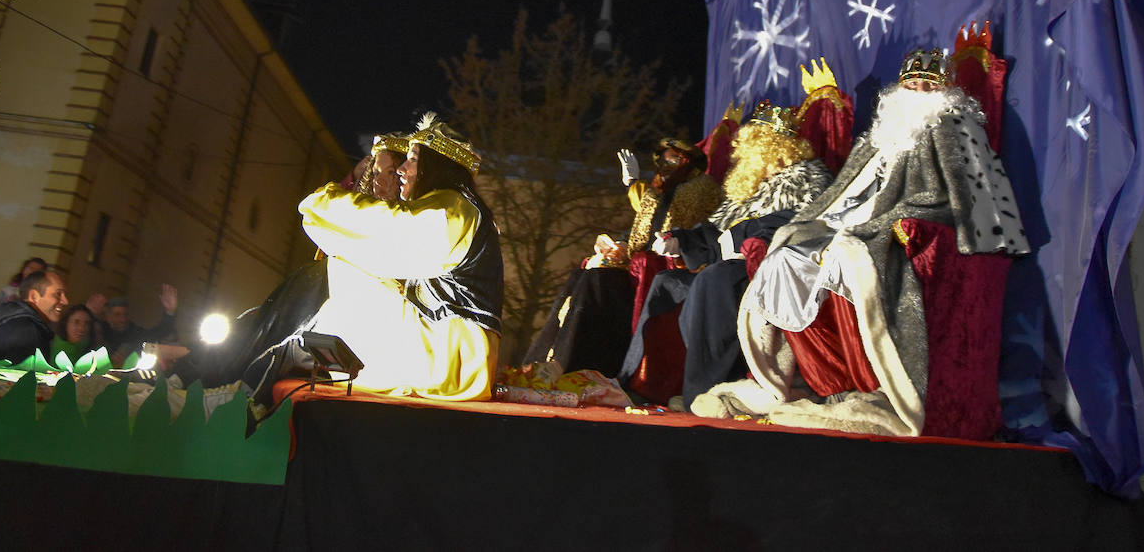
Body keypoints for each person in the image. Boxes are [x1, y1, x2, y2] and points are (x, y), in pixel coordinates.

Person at [693, 44, 1029, 439]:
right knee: (784, 255)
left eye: (927, 84)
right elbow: (841, 192)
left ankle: (883, 392)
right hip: (846, 224)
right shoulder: (880, 133)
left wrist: (880, 227)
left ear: (944, 90)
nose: (918, 91)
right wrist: (812, 225)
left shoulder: (952, 128)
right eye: (912, 83)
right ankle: (786, 382)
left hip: (889, 229)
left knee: (844, 257)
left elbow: (952, 200)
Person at [172, 133, 412, 405]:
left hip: (355, 314)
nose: (380, 180)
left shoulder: (400, 219)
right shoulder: (367, 209)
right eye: (376, 171)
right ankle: (190, 375)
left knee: (293, 308)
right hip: (328, 299)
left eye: (391, 172)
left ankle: (227, 390)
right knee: (255, 319)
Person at [618, 101, 833, 405]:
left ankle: (703, 393)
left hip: (767, 270)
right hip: (731, 264)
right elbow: (715, 232)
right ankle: (642, 383)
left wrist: (741, 238)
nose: (745, 157)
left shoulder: (807, 182)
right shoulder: (746, 190)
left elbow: (797, 226)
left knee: (714, 279)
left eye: (754, 149)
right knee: (666, 282)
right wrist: (679, 240)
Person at [296, 113, 503, 401]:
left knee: (335, 273)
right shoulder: (454, 206)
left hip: (448, 360)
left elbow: (383, 231)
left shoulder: (453, 210)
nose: (403, 170)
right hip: (445, 352)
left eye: (413, 160)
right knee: (339, 271)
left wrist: (323, 199)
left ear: (436, 165)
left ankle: (247, 373)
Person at [522, 137, 721, 377]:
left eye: (674, 159)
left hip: (674, 263)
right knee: (588, 270)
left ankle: (586, 365)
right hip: (640, 259)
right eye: (663, 159)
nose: (666, 164)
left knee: (613, 275)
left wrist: (674, 240)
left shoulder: (700, 188)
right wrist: (620, 244)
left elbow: (685, 228)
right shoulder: (660, 191)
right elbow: (643, 228)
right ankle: (555, 360)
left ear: (688, 161)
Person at [0, 269, 70, 364]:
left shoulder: (16, 323)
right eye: (58, 294)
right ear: (34, 296)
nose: (65, 301)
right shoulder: (27, 331)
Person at [101, 286, 179, 366]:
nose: (123, 319)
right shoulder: (99, 331)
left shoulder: (135, 333)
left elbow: (158, 333)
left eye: (125, 314)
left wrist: (170, 312)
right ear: (108, 316)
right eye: (117, 315)